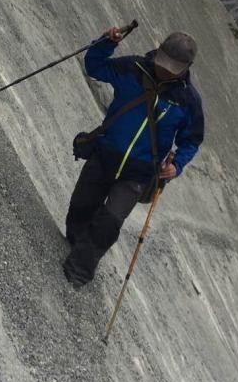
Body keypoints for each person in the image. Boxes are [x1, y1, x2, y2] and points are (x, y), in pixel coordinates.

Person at [63, 27, 205, 287]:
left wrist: (177, 165)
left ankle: (80, 270)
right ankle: (76, 241)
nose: (165, 70)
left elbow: (191, 140)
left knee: (110, 221)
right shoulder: (133, 68)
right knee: (82, 204)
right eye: (164, 63)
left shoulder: (189, 101)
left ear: (186, 68)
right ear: (158, 51)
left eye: (173, 68)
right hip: (105, 154)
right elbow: (94, 66)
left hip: (139, 172)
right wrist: (106, 43)